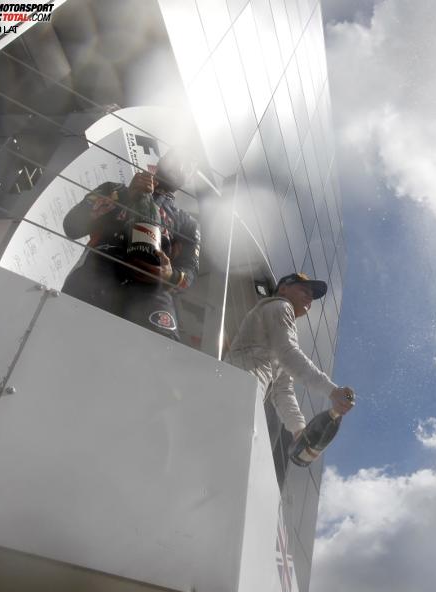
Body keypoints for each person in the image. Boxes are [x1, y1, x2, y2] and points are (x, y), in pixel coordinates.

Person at [61, 150, 201, 340]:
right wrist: (124, 196)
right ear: (160, 162)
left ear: (190, 177)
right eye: (177, 157)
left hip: (151, 290)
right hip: (97, 272)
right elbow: (71, 226)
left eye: (189, 165)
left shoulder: (187, 223)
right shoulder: (114, 189)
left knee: (163, 353)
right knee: (67, 337)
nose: (181, 165)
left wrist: (170, 275)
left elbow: (190, 270)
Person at [225, 273, 355, 441]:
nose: (310, 298)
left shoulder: (279, 327)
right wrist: (332, 391)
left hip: (242, 390)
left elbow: (283, 389)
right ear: (284, 289)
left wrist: (299, 429)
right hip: (239, 386)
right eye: (304, 290)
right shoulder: (281, 306)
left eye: (312, 296)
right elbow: (288, 354)